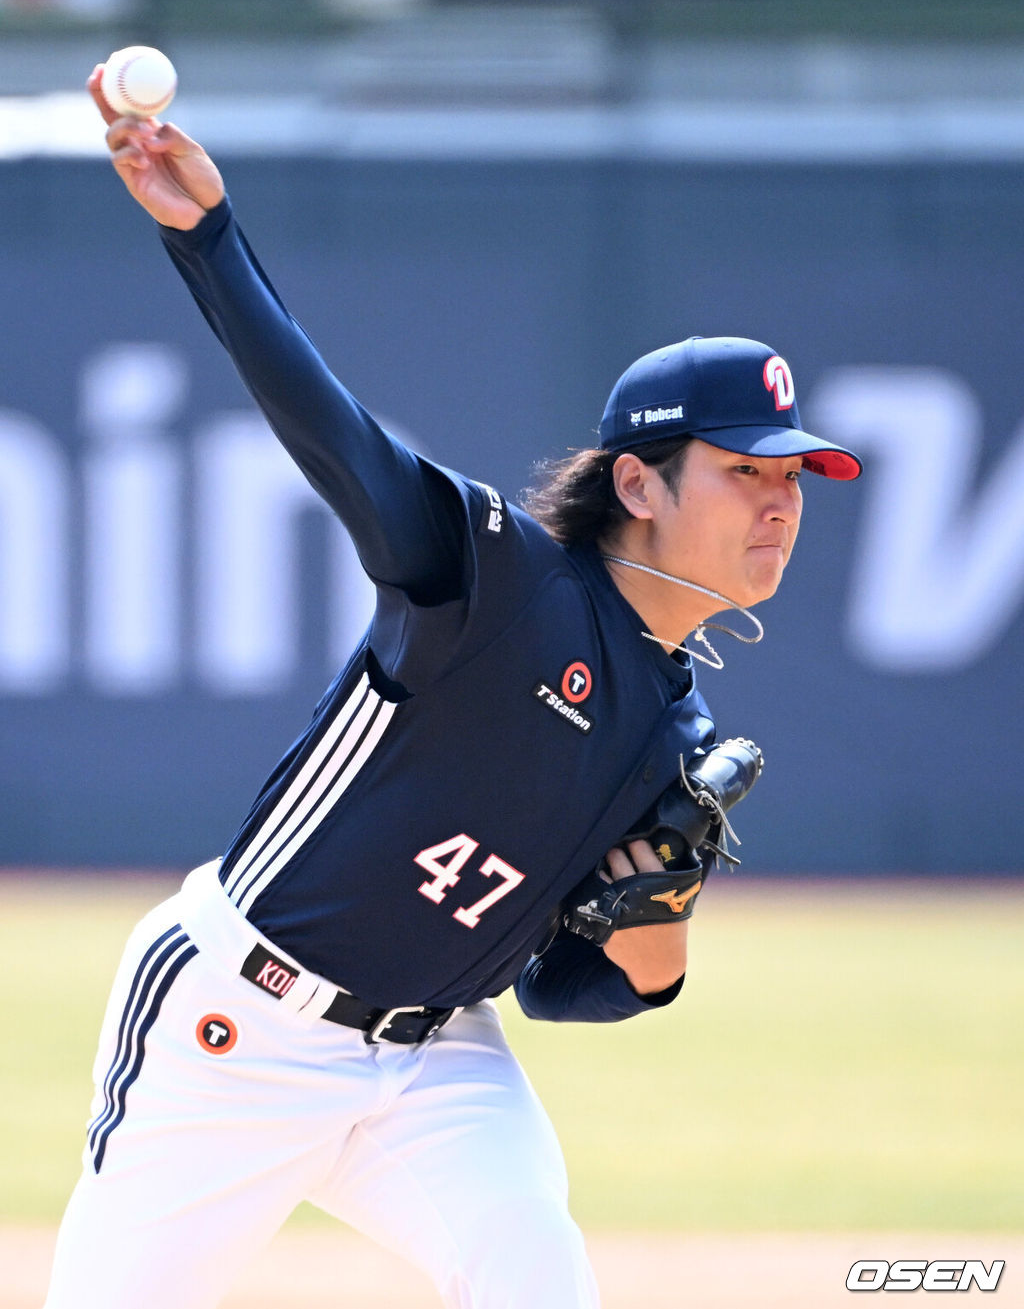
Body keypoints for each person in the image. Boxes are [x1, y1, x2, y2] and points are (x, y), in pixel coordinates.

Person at [44, 70, 862, 1309]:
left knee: (542, 1283)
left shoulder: (674, 730)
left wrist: (669, 892)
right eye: (746, 469)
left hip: (436, 1061)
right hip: (238, 1024)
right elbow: (325, 423)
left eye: (797, 477)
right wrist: (204, 237)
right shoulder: (491, 577)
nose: (781, 499)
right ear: (637, 484)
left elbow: (592, 987)